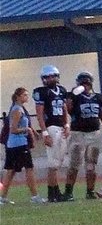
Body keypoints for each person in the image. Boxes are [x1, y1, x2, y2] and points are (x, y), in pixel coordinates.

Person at [63, 72, 102, 200]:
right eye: (83, 84)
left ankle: (90, 191)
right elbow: (68, 109)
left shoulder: (98, 97)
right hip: (78, 133)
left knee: (91, 165)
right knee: (74, 164)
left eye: (86, 83)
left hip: (94, 133)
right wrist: (72, 95)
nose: (85, 86)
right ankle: (68, 192)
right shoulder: (74, 96)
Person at [0, 88, 46, 205]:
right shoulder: (17, 110)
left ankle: (2, 197)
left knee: (11, 171)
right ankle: (35, 196)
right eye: (24, 95)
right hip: (18, 144)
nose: (27, 97)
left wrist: (32, 131)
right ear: (18, 96)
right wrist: (28, 129)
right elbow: (13, 129)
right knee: (29, 168)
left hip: (15, 144)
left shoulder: (21, 109)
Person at [32, 64, 70, 202]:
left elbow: (64, 109)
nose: (50, 79)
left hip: (61, 127)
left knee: (58, 162)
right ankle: (53, 193)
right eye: (47, 77)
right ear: (43, 79)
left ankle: (54, 193)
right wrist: (45, 133)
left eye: (53, 76)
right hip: (51, 127)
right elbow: (40, 114)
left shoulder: (62, 90)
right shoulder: (41, 92)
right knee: (53, 163)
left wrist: (67, 125)